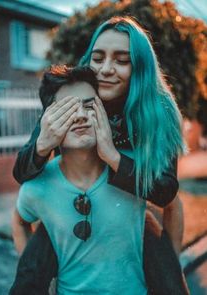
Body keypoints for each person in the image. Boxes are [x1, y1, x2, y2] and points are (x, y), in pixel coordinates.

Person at [11, 16, 189, 294]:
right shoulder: (76, 94)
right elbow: (22, 174)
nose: (106, 69)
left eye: (122, 60)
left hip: (130, 210)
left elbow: (166, 193)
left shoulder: (159, 110)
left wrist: (112, 156)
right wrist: (42, 145)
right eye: (98, 58)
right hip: (69, 210)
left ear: (139, 67)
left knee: (169, 281)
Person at [12, 65, 149, 294]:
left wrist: (172, 265)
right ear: (47, 122)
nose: (81, 116)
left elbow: (170, 201)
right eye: (66, 110)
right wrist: (38, 274)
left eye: (89, 106)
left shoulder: (131, 169)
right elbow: (19, 221)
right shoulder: (38, 186)